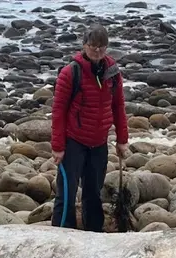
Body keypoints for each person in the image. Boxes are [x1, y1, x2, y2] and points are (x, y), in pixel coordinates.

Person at [50, 24, 129, 232]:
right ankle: (59, 233)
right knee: (67, 192)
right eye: (93, 46)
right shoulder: (70, 72)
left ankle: (94, 232)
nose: (97, 51)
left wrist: (122, 140)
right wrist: (58, 146)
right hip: (73, 140)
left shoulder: (112, 73)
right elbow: (58, 111)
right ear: (84, 45)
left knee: (93, 192)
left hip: (99, 142)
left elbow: (118, 106)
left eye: (102, 46)